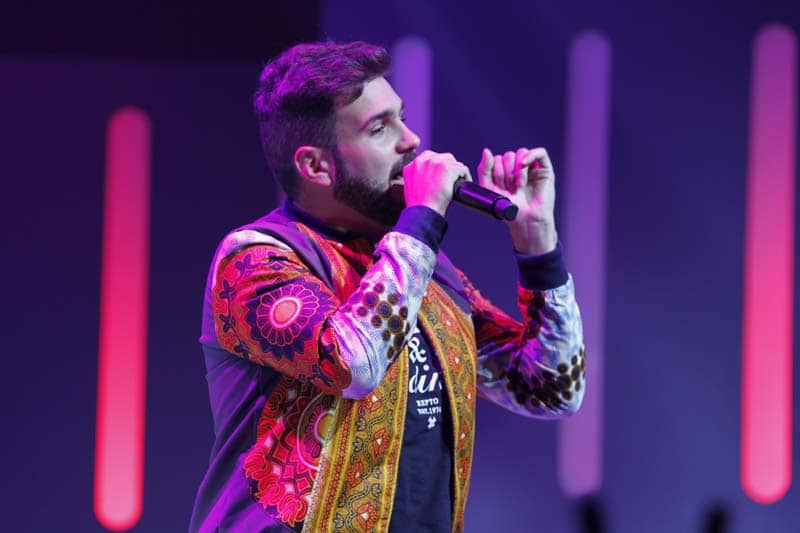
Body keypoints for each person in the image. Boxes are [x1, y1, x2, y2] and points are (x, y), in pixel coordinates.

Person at [190, 40, 585, 533]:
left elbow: (550, 390)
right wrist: (423, 219)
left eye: (402, 117)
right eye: (380, 128)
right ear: (316, 166)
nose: (412, 140)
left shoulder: (421, 269)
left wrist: (537, 241)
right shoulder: (258, 259)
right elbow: (353, 364)